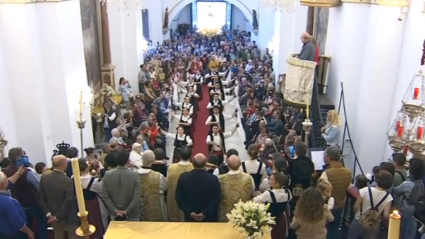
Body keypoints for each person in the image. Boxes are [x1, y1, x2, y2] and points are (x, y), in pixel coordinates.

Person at [3, 147, 47, 239]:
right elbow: (38, 186)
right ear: (20, 157)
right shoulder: (27, 171)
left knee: (27, 224)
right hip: (32, 202)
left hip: (18, 203)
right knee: (41, 221)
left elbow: (10, 183)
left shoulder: (5, 172)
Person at [39, 155, 79, 239]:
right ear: (63, 165)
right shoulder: (67, 180)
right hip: (69, 215)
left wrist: (48, 213)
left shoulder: (45, 176)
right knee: (73, 235)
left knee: (58, 235)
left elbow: (41, 196)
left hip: (52, 213)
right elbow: (68, 200)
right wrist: (57, 216)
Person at [175, 153, 221, 222]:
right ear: (206, 163)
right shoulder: (213, 179)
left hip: (190, 218)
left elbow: (179, 198)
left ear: (192, 162)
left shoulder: (183, 178)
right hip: (209, 218)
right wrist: (204, 213)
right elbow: (216, 199)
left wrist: (190, 212)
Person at [347, 171, 393, 239]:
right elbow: (386, 215)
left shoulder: (365, 190)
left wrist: (357, 214)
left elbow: (356, 206)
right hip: (374, 223)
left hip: (359, 219)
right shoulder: (388, 197)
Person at [320, 146, 352, 239]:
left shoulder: (326, 173)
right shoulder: (348, 172)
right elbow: (349, 187)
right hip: (340, 205)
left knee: (324, 230)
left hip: (327, 207)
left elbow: (321, 192)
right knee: (335, 228)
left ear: (328, 158)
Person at [101, 149, 142, 221]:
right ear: (128, 161)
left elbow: (105, 196)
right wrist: (126, 211)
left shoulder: (107, 174)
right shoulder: (134, 175)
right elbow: (137, 197)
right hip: (132, 213)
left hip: (114, 214)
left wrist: (115, 210)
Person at [253, 172, 292, 239]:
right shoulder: (288, 192)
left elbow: (255, 200)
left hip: (269, 219)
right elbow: (290, 199)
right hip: (282, 218)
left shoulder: (269, 194)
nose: (269, 181)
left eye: (271, 180)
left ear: (277, 184)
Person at [393, 158, 425, 239]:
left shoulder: (408, 184)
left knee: (403, 233)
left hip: (405, 211)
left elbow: (394, 191)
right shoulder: (420, 182)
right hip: (415, 213)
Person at [218, 155, 254, 222]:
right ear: (240, 164)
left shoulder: (220, 179)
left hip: (226, 217)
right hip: (243, 217)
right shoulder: (248, 178)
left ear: (227, 165)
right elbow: (252, 191)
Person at [0, 171, 35, 239]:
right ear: (3, 184)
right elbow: (16, 221)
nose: (9, 180)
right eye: (7, 179)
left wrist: (19, 171)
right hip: (13, 234)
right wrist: (28, 231)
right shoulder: (8, 202)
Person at [79, 159, 108, 238]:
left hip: (79, 205)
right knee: (95, 222)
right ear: (87, 167)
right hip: (93, 203)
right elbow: (102, 191)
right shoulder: (94, 181)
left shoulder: (73, 178)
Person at [138, 150, 167, 221]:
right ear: (153, 160)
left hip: (139, 207)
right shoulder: (158, 176)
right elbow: (165, 187)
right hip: (155, 207)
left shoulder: (134, 174)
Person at [167, 146, 194, 222]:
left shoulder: (171, 167)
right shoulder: (194, 167)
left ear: (179, 155)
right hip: (189, 204)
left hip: (174, 202)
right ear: (191, 156)